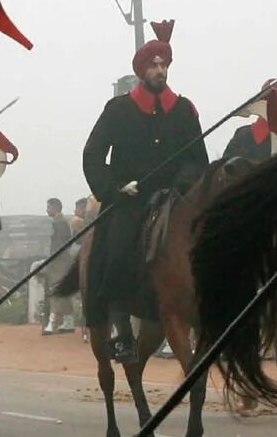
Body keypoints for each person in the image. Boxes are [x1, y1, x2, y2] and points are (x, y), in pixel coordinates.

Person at [80, 21, 208, 363]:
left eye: (163, 64)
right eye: (153, 65)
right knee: (118, 250)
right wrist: (113, 190)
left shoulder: (183, 110)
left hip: (175, 196)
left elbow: (198, 157)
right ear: (141, 71)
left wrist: (183, 183)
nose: (159, 70)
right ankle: (121, 332)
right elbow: (92, 154)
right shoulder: (118, 109)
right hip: (130, 198)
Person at [41, 197, 76, 334]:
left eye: (49, 207)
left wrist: (52, 259)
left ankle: (53, 322)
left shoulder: (60, 223)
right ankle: (68, 321)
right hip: (60, 261)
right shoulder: (59, 222)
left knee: (55, 291)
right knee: (63, 291)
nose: (47, 210)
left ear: (55, 207)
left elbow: (59, 245)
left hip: (59, 262)